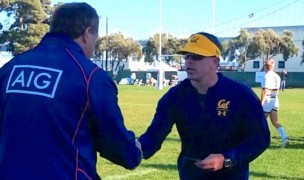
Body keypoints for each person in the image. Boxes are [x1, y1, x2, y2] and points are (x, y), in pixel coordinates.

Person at [0, 3, 141, 180]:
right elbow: (115, 142)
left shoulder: (11, 68)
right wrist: (134, 150)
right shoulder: (91, 76)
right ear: (87, 33)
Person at [137, 32, 270, 179]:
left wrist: (226, 159)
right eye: (187, 56)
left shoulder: (241, 94)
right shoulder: (174, 97)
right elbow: (154, 135)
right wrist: (134, 148)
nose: (189, 61)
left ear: (215, 62)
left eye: (197, 57)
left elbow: (261, 138)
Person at [261, 59, 288, 148]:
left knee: (259, 120)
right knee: (275, 122)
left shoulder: (266, 76)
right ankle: (284, 138)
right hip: (275, 99)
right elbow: (278, 90)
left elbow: (265, 92)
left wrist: (261, 104)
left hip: (268, 100)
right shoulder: (277, 76)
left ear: (265, 66)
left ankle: (262, 140)